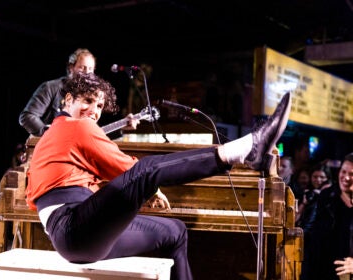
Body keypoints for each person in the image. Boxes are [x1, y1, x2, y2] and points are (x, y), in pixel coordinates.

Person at [25, 72, 292, 280]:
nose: (94, 111)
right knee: (144, 170)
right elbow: (128, 168)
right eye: (88, 101)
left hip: (78, 237)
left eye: (100, 105)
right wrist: (152, 190)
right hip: (73, 228)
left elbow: (40, 195)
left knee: (174, 231)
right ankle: (241, 150)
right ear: (67, 100)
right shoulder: (75, 126)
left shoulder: (50, 137)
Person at [18, 48, 138, 137]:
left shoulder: (91, 96)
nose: (87, 72)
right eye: (82, 67)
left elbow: (91, 134)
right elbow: (27, 117)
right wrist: (50, 135)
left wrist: (121, 129)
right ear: (71, 67)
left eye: (90, 69)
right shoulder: (50, 87)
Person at [300, 153, 353, 280]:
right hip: (323, 272)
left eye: (351, 174)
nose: (346, 177)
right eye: (343, 171)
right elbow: (312, 236)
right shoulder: (327, 197)